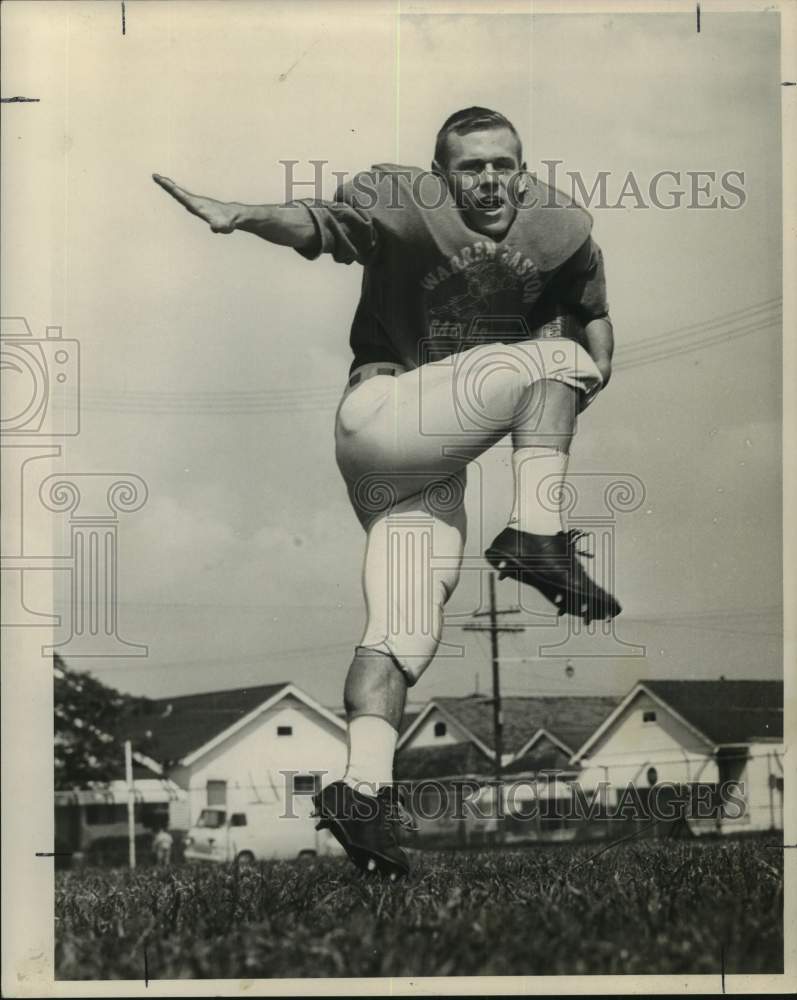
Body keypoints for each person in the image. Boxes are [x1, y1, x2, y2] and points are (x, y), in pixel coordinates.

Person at [153, 106, 620, 879]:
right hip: (381, 413)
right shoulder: (406, 204)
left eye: (503, 163)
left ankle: (361, 792)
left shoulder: (560, 229)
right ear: (441, 177)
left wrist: (594, 376)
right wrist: (240, 214)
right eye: (471, 167)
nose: (489, 179)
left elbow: (595, 313)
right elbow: (317, 224)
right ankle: (536, 531)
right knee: (553, 359)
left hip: (425, 460)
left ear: (525, 170)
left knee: (403, 635)